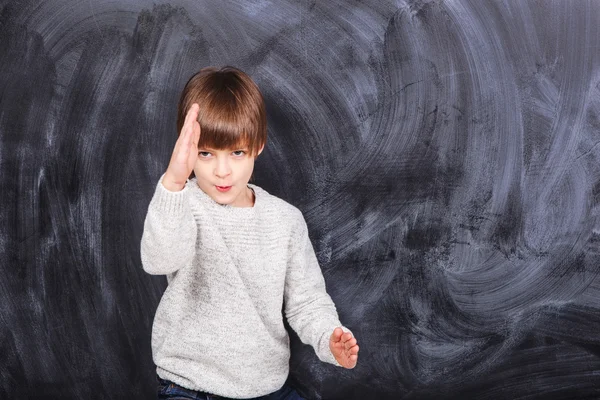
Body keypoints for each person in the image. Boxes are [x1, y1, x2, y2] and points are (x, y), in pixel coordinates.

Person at [141, 66, 359, 400]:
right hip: (190, 386)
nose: (222, 170)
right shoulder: (182, 203)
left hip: (266, 388)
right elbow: (159, 259)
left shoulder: (285, 221)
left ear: (258, 146)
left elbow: (307, 302)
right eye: (206, 154)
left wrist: (329, 337)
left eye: (237, 153)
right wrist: (173, 181)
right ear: (188, 151)